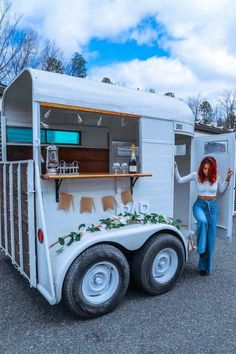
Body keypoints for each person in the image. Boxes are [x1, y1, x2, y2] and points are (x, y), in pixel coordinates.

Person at [174, 156, 233, 276]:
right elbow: (180, 180)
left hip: (213, 207)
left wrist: (227, 178)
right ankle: (200, 247)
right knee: (202, 221)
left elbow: (221, 190)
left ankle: (204, 267)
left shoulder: (216, 175)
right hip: (199, 205)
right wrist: (175, 168)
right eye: (204, 168)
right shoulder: (196, 175)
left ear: (212, 169)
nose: (206, 171)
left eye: (208, 169)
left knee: (211, 238)